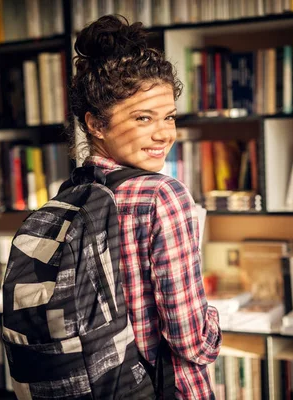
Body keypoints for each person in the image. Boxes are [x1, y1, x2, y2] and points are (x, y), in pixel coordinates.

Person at [69, 14, 222, 399]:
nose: (163, 133)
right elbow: (189, 339)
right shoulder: (162, 196)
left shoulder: (72, 192)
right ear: (96, 124)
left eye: (168, 116)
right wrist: (214, 326)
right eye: (143, 118)